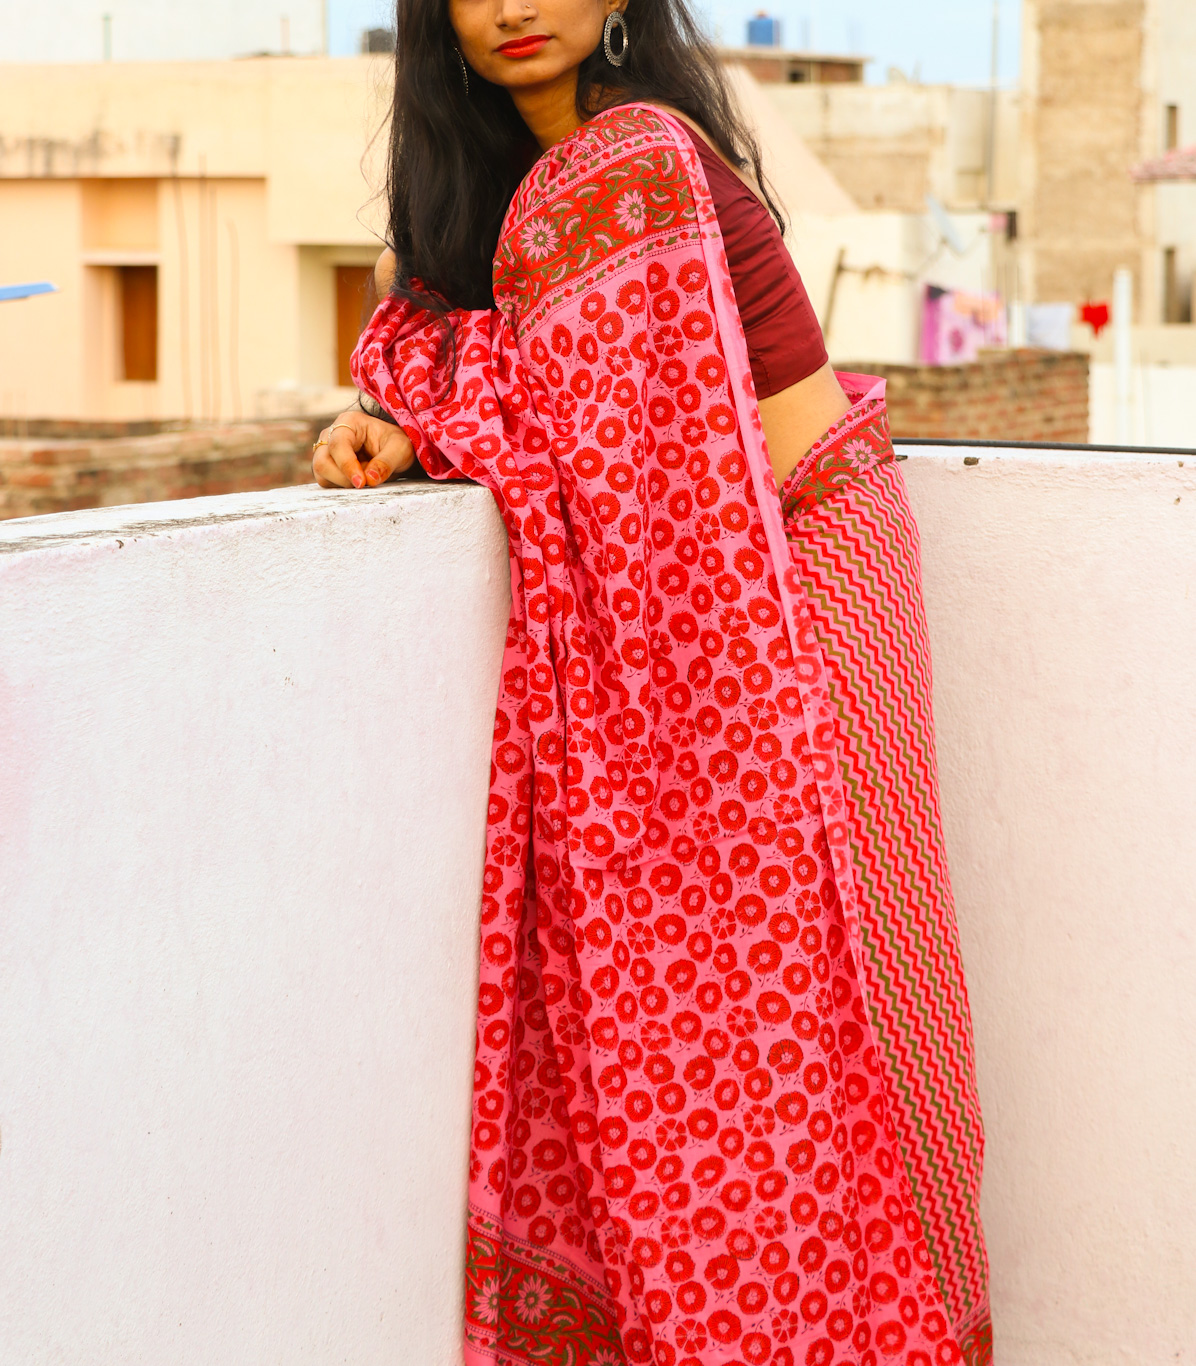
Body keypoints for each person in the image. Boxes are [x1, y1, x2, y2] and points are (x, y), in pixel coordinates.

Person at [313, 1, 992, 1363]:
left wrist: (417, 386)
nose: (513, 6)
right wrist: (414, 394)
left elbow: (559, 404)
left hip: (813, 568)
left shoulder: (632, 157)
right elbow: (546, 396)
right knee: (756, 1033)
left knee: (850, 1000)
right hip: (732, 571)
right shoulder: (501, 201)